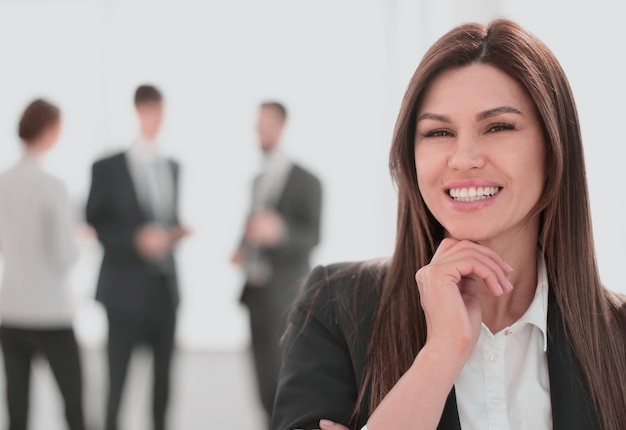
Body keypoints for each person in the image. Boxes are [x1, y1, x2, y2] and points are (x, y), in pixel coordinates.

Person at [272, 18, 626, 430]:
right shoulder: (336, 308)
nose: (463, 158)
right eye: (438, 132)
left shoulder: (617, 337)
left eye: (498, 126)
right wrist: (441, 353)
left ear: (553, 147)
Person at [86, 84, 190, 430]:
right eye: (150, 110)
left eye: (160, 111)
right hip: (123, 290)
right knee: (117, 381)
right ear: (138, 111)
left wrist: (174, 234)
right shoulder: (107, 166)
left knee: (163, 384)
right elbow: (95, 223)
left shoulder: (172, 166)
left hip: (164, 289)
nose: (155, 119)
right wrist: (134, 239)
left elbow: (168, 218)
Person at [231, 101, 323, 425]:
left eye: (267, 125)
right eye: (257, 125)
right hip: (254, 294)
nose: (261, 132)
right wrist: (241, 249)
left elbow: (312, 235)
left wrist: (280, 233)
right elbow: (252, 228)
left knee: (283, 382)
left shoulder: (308, 180)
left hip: (284, 296)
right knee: (261, 384)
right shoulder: (257, 180)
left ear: (282, 126)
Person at [0, 99, 86, 430]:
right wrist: (80, 238)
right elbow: (65, 256)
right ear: (50, 130)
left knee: (17, 412)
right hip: (51, 312)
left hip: (12, 309)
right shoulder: (52, 186)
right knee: (74, 408)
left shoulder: (2, 182)